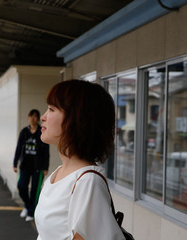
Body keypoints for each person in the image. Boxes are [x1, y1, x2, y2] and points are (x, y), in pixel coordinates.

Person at [35, 80, 125, 240]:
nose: (43, 117)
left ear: (75, 120)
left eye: (51, 109)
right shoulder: (58, 174)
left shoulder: (87, 181)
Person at [13, 109, 50, 222]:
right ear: (28, 117)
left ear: (38, 119)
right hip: (24, 165)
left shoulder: (42, 131)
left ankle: (30, 212)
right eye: (31, 116)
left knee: (35, 190)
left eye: (35, 117)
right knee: (21, 186)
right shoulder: (24, 132)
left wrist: (45, 167)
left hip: (37, 167)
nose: (32, 119)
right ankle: (27, 204)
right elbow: (19, 147)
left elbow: (46, 151)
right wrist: (15, 163)